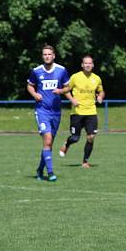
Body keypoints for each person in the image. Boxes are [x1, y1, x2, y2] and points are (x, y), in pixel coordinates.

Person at [27, 44, 70, 182]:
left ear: (54, 55)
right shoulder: (36, 71)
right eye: (44, 54)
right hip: (42, 111)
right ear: (42, 56)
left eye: (49, 54)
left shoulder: (61, 70)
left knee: (48, 145)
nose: (47, 56)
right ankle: (50, 173)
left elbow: (68, 87)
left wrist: (61, 91)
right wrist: (34, 94)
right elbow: (30, 85)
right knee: (48, 140)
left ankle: (40, 170)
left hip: (56, 112)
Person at [58, 55, 105, 168]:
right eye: (86, 63)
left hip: (91, 112)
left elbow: (101, 91)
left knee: (91, 137)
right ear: (82, 65)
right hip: (77, 112)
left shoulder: (96, 78)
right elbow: (66, 90)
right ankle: (67, 144)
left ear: (93, 65)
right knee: (75, 138)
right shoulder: (75, 77)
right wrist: (72, 100)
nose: (88, 65)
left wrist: (100, 97)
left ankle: (85, 161)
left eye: (90, 63)